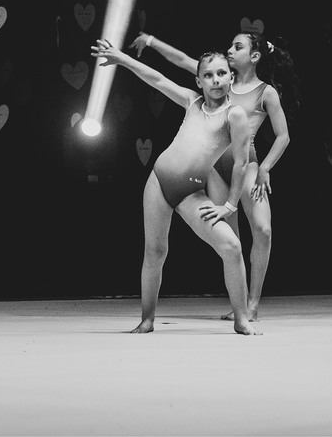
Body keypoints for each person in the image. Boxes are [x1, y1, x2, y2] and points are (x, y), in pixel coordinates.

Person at [91, 38, 261, 336]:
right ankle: (146, 320)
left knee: (232, 247)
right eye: (208, 75)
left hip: (190, 193)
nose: (216, 80)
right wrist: (121, 59)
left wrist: (230, 205)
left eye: (222, 73)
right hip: (158, 182)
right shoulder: (191, 102)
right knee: (155, 252)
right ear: (199, 81)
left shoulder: (234, 115)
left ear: (231, 78)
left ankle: (241, 319)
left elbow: (241, 163)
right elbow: (157, 79)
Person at [128, 29, 298, 321]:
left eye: (237, 47)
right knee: (230, 238)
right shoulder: (219, 80)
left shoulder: (264, 92)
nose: (230, 50)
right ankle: (238, 305)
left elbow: (283, 136)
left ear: (254, 56)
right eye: (230, 46)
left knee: (263, 230)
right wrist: (151, 41)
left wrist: (266, 167)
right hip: (217, 168)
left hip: (248, 164)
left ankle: (253, 302)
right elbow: (181, 59)